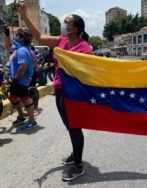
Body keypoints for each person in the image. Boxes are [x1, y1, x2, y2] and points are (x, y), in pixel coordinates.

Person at [14, 1, 92, 181]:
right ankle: (75, 152)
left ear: (74, 28)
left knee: (74, 127)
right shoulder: (61, 40)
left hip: (73, 93)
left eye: (66, 23)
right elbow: (39, 37)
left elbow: (88, 73)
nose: (62, 25)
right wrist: (24, 15)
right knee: (69, 126)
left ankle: (78, 165)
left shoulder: (84, 48)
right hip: (59, 91)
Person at [3, 26, 37, 131]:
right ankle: (21, 117)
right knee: (12, 97)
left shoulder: (22, 50)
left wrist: (15, 79)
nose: (16, 37)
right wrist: (7, 35)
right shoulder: (18, 48)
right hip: (16, 79)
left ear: (22, 38)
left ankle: (32, 121)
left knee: (26, 100)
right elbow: (8, 47)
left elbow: (23, 67)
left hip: (20, 80)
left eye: (17, 35)